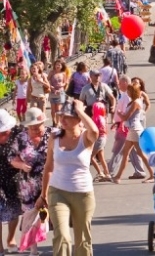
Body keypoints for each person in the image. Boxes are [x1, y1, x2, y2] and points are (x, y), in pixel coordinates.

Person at [40, 99, 98, 256]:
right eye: (61, 116)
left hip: (83, 194)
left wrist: (80, 111)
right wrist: (43, 194)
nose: (62, 120)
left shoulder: (85, 138)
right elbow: (49, 167)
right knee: (62, 236)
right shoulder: (55, 137)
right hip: (58, 192)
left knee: (83, 239)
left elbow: (95, 131)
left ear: (78, 119)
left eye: (67, 116)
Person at [9, 107, 52, 256]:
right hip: (28, 185)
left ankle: (60, 247)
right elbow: (11, 158)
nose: (35, 129)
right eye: (31, 127)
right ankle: (32, 250)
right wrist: (21, 165)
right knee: (29, 218)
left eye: (37, 126)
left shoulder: (52, 134)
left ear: (43, 122)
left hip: (52, 182)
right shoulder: (21, 138)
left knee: (49, 216)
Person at [111, 83, 155, 184]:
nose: (127, 92)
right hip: (132, 130)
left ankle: (153, 175)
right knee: (126, 153)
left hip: (135, 130)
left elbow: (126, 117)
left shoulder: (136, 102)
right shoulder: (133, 101)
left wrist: (119, 114)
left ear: (133, 92)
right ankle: (118, 177)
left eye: (129, 90)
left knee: (140, 153)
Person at [108, 76, 146, 180]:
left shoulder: (128, 97)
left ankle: (109, 171)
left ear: (125, 83)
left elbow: (126, 113)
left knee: (119, 150)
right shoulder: (125, 95)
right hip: (125, 126)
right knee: (131, 151)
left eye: (120, 83)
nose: (118, 85)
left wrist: (120, 121)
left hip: (126, 127)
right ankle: (140, 171)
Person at [0, 110, 20, 255]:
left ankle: (11, 238)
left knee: (14, 210)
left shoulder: (18, 134)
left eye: (4, 132)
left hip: (14, 178)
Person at [48, 59, 68, 126]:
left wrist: (62, 85)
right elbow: (47, 80)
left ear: (62, 66)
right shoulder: (52, 72)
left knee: (58, 109)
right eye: (56, 64)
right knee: (53, 109)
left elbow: (65, 82)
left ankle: (58, 122)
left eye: (59, 65)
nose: (58, 66)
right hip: (52, 92)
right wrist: (51, 86)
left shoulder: (63, 73)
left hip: (60, 92)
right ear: (54, 65)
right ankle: (53, 121)